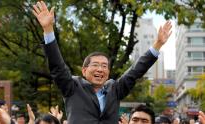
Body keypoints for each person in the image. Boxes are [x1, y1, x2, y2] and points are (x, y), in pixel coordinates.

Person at [32, 1, 172, 124]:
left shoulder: (115, 89)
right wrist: (48, 30)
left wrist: (158, 44)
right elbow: (57, 67)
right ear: (84, 70)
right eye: (95, 65)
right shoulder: (72, 86)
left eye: (104, 66)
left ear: (108, 73)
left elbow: (135, 71)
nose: (100, 69)